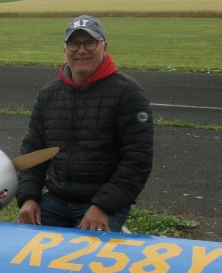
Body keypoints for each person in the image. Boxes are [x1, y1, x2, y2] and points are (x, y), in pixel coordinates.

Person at [16, 15, 153, 232]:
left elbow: (137, 160)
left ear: (104, 47)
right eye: (74, 43)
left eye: (90, 43)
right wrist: (28, 198)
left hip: (102, 204)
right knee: (21, 248)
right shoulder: (48, 94)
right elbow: (34, 151)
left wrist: (102, 207)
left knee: (85, 260)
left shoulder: (128, 93)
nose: (81, 50)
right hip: (55, 200)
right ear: (65, 49)